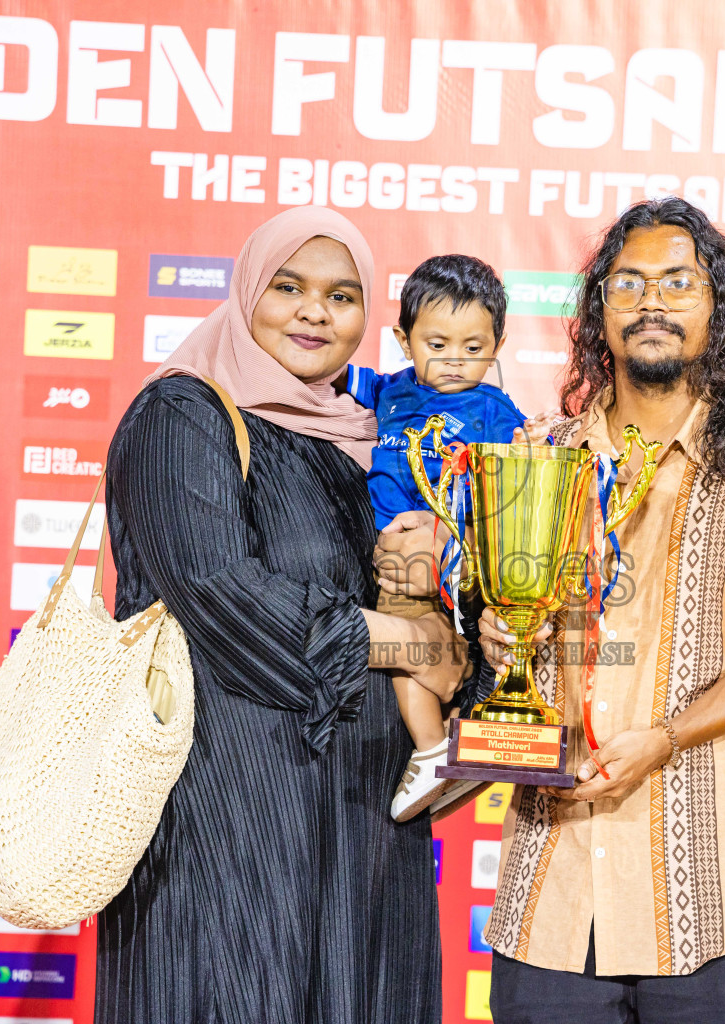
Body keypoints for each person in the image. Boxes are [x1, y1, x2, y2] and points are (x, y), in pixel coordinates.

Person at [469, 197, 725, 1022]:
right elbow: (491, 641)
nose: (651, 301)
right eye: (628, 283)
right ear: (597, 312)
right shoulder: (536, 459)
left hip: (721, 905)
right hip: (554, 895)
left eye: (677, 283)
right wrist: (497, 634)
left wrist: (666, 737)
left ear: (715, 308)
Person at [97, 207, 463, 1024]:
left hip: (367, 828)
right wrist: (411, 642)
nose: (314, 312)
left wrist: (463, 646)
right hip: (228, 821)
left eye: (341, 296)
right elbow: (226, 599)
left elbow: (432, 622)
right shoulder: (183, 416)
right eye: (287, 288)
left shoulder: (374, 445)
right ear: (246, 294)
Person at [342, 254, 528, 821]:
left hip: (448, 564)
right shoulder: (389, 392)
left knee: (412, 654)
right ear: (404, 340)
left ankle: (431, 751)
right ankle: (444, 750)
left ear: (498, 342)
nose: (454, 361)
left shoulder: (497, 411)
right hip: (388, 558)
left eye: (474, 348)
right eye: (437, 344)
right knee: (412, 654)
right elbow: (320, 374)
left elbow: (513, 485)